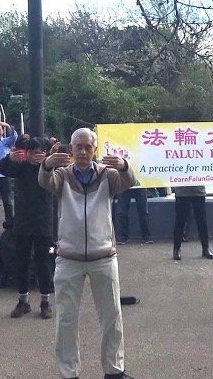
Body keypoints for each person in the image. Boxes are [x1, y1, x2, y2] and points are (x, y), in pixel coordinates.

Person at [39, 127, 136, 379]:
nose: (82, 151)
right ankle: (68, 373)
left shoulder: (108, 175)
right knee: (66, 321)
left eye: (88, 147)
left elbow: (128, 182)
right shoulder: (61, 175)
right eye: (78, 147)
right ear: (70, 150)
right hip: (68, 258)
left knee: (112, 317)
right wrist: (47, 164)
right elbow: (44, 182)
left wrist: (124, 165)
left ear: (95, 150)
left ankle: (114, 371)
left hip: (103, 257)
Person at [0, 137, 56, 320]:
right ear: (27, 153)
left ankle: (45, 302)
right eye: (31, 152)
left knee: (43, 264)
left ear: (45, 153)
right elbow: (2, 168)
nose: (35, 156)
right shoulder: (21, 167)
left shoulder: (50, 169)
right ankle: (23, 301)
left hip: (43, 222)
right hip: (22, 223)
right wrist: (9, 158)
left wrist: (49, 162)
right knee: (21, 263)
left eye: (39, 152)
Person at [171, 185, 213, 261]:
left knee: (202, 221)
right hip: (182, 192)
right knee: (180, 221)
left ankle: (205, 248)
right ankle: (176, 249)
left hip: (198, 191)